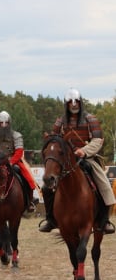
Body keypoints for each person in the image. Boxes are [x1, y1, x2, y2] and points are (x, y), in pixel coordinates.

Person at [39, 88, 116, 234]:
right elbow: (55, 140)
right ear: (66, 104)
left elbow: (98, 140)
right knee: (46, 187)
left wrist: (84, 151)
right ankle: (50, 220)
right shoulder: (60, 121)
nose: (74, 105)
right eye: (70, 103)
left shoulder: (90, 119)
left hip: (87, 158)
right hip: (66, 160)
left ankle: (104, 221)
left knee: (104, 185)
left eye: (76, 102)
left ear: (80, 103)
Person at [0, 111, 37, 214]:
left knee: (28, 177)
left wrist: (11, 162)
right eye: (1, 123)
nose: (3, 125)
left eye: (5, 123)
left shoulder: (16, 135)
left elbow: (19, 151)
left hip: (14, 161)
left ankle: (30, 200)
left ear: (9, 123)